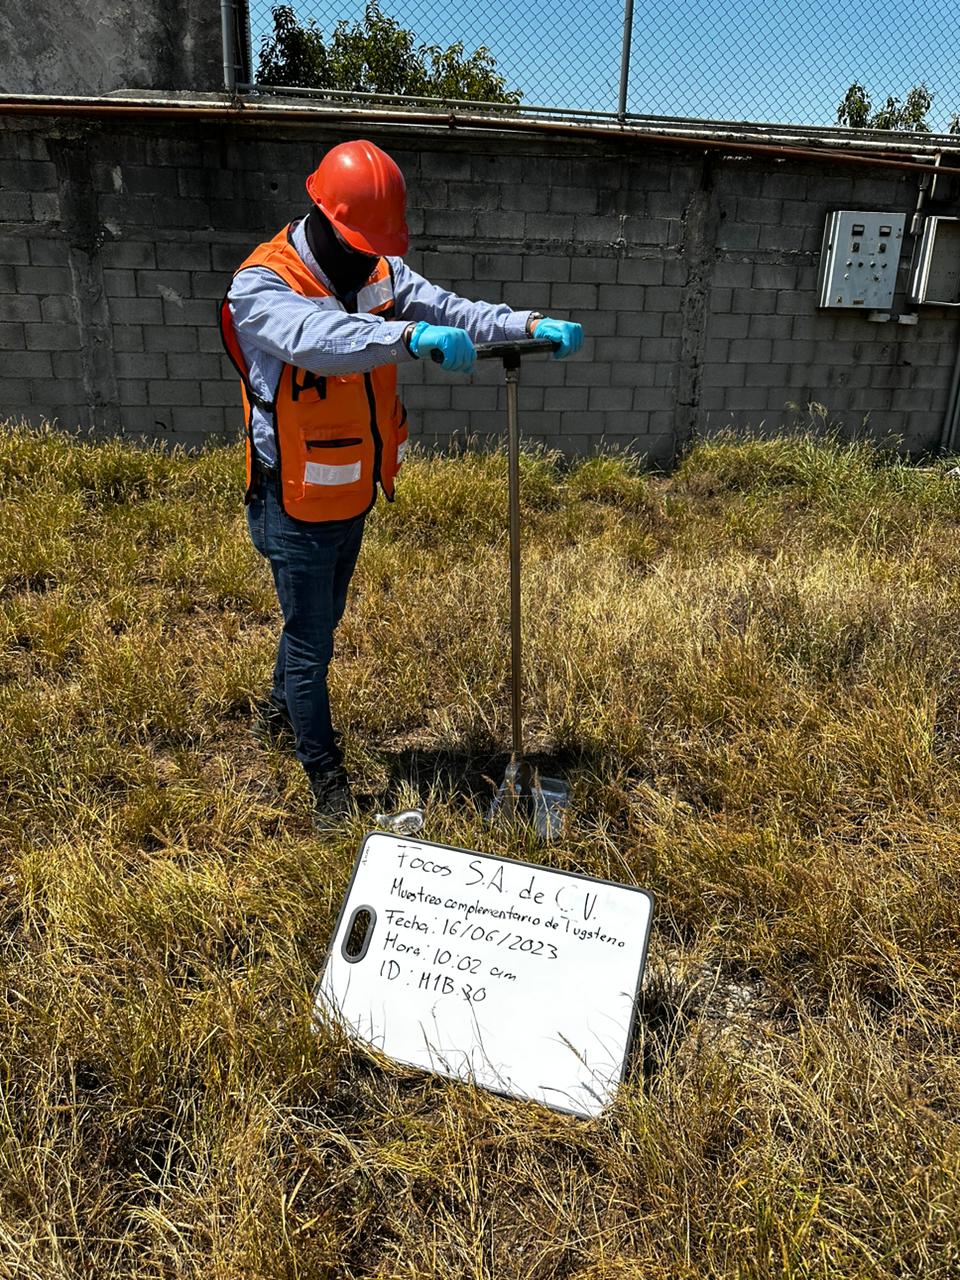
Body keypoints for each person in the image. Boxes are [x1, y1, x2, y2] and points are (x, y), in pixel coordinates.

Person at [219, 138, 582, 826]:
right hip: (291, 500)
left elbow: (453, 309)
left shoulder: (380, 271)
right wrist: (406, 338)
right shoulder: (262, 286)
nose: (371, 259)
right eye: (361, 243)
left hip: (351, 489)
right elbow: (318, 339)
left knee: (315, 621)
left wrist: (527, 324)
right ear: (324, 217)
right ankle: (325, 778)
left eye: (378, 246)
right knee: (312, 641)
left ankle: (278, 711)